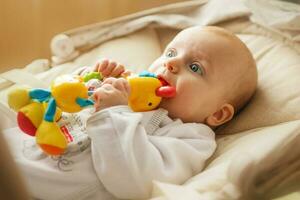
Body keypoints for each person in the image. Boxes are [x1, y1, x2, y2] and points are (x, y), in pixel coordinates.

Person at [4, 26, 257, 200]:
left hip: (30, 188)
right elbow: (61, 104)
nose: (171, 63)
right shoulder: (127, 88)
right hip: (15, 148)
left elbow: (137, 182)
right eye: (171, 52)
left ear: (218, 115)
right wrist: (89, 82)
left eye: (194, 67)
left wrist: (115, 110)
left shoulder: (190, 138)